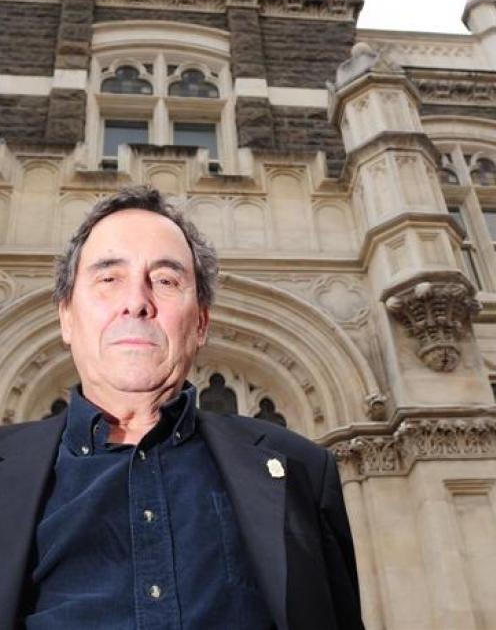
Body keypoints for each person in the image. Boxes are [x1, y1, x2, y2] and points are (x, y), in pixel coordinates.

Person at [0, 186, 365, 630]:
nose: (136, 301)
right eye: (109, 278)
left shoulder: (301, 470)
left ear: (202, 322)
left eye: (167, 281)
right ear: (66, 317)